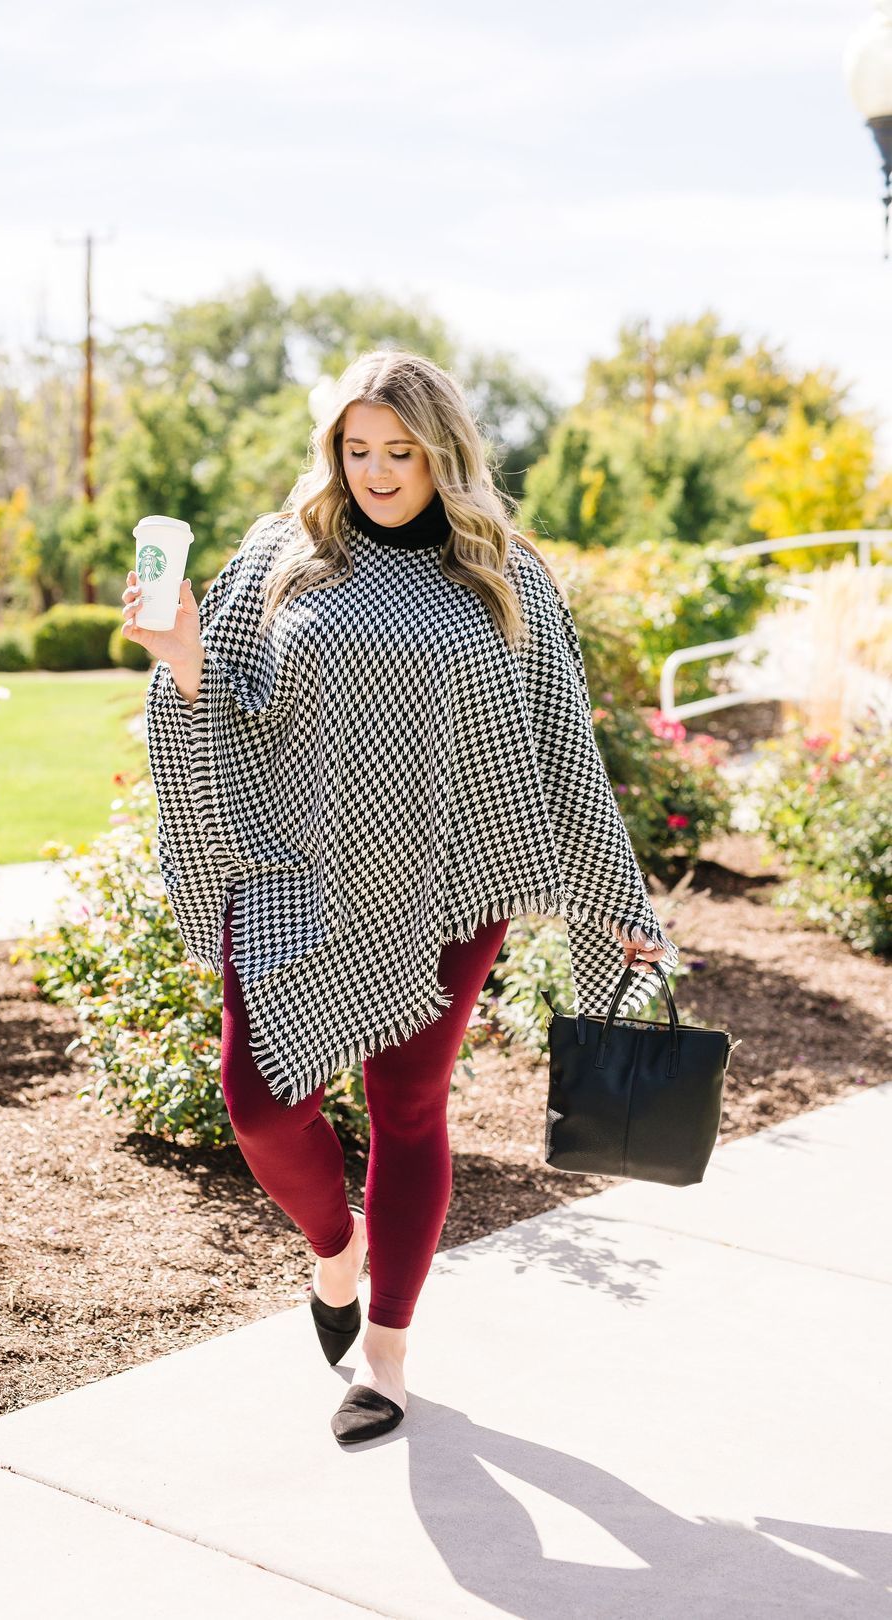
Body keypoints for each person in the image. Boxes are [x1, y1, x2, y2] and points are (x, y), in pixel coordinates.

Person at [122, 349, 675, 1447]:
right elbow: (217, 704)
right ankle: (338, 1251)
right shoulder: (282, 556)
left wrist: (619, 899)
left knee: (408, 1112)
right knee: (258, 1102)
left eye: (400, 452)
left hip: (449, 882)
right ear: (332, 448)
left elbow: (561, 742)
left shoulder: (501, 570)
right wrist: (182, 660)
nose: (376, 473)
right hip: (295, 869)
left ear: (443, 452)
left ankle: (387, 1351)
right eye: (356, 449)